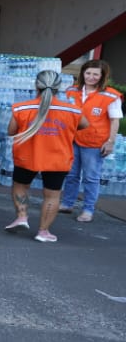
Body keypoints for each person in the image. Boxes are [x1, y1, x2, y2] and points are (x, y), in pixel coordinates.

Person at [5, 71, 87, 243]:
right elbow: (85, 125)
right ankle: (43, 231)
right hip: (58, 157)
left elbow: (11, 131)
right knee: (52, 195)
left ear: (36, 85)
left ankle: (22, 216)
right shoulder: (72, 110)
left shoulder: (21, 107)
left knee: (21, 186)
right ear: (59, 88)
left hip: (27, 155)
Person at [60, 60, 121, 223]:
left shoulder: (110, 95)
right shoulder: (72, 91)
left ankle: (88, 209)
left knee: (91, 177)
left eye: (95, 74)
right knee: (71, 174)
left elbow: (115, 121)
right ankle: (67, 203)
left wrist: (110, 141)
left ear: (102, 76)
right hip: (73, 139)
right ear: (82, 73)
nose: (91, 77)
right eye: (88, 73)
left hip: (95, 142)